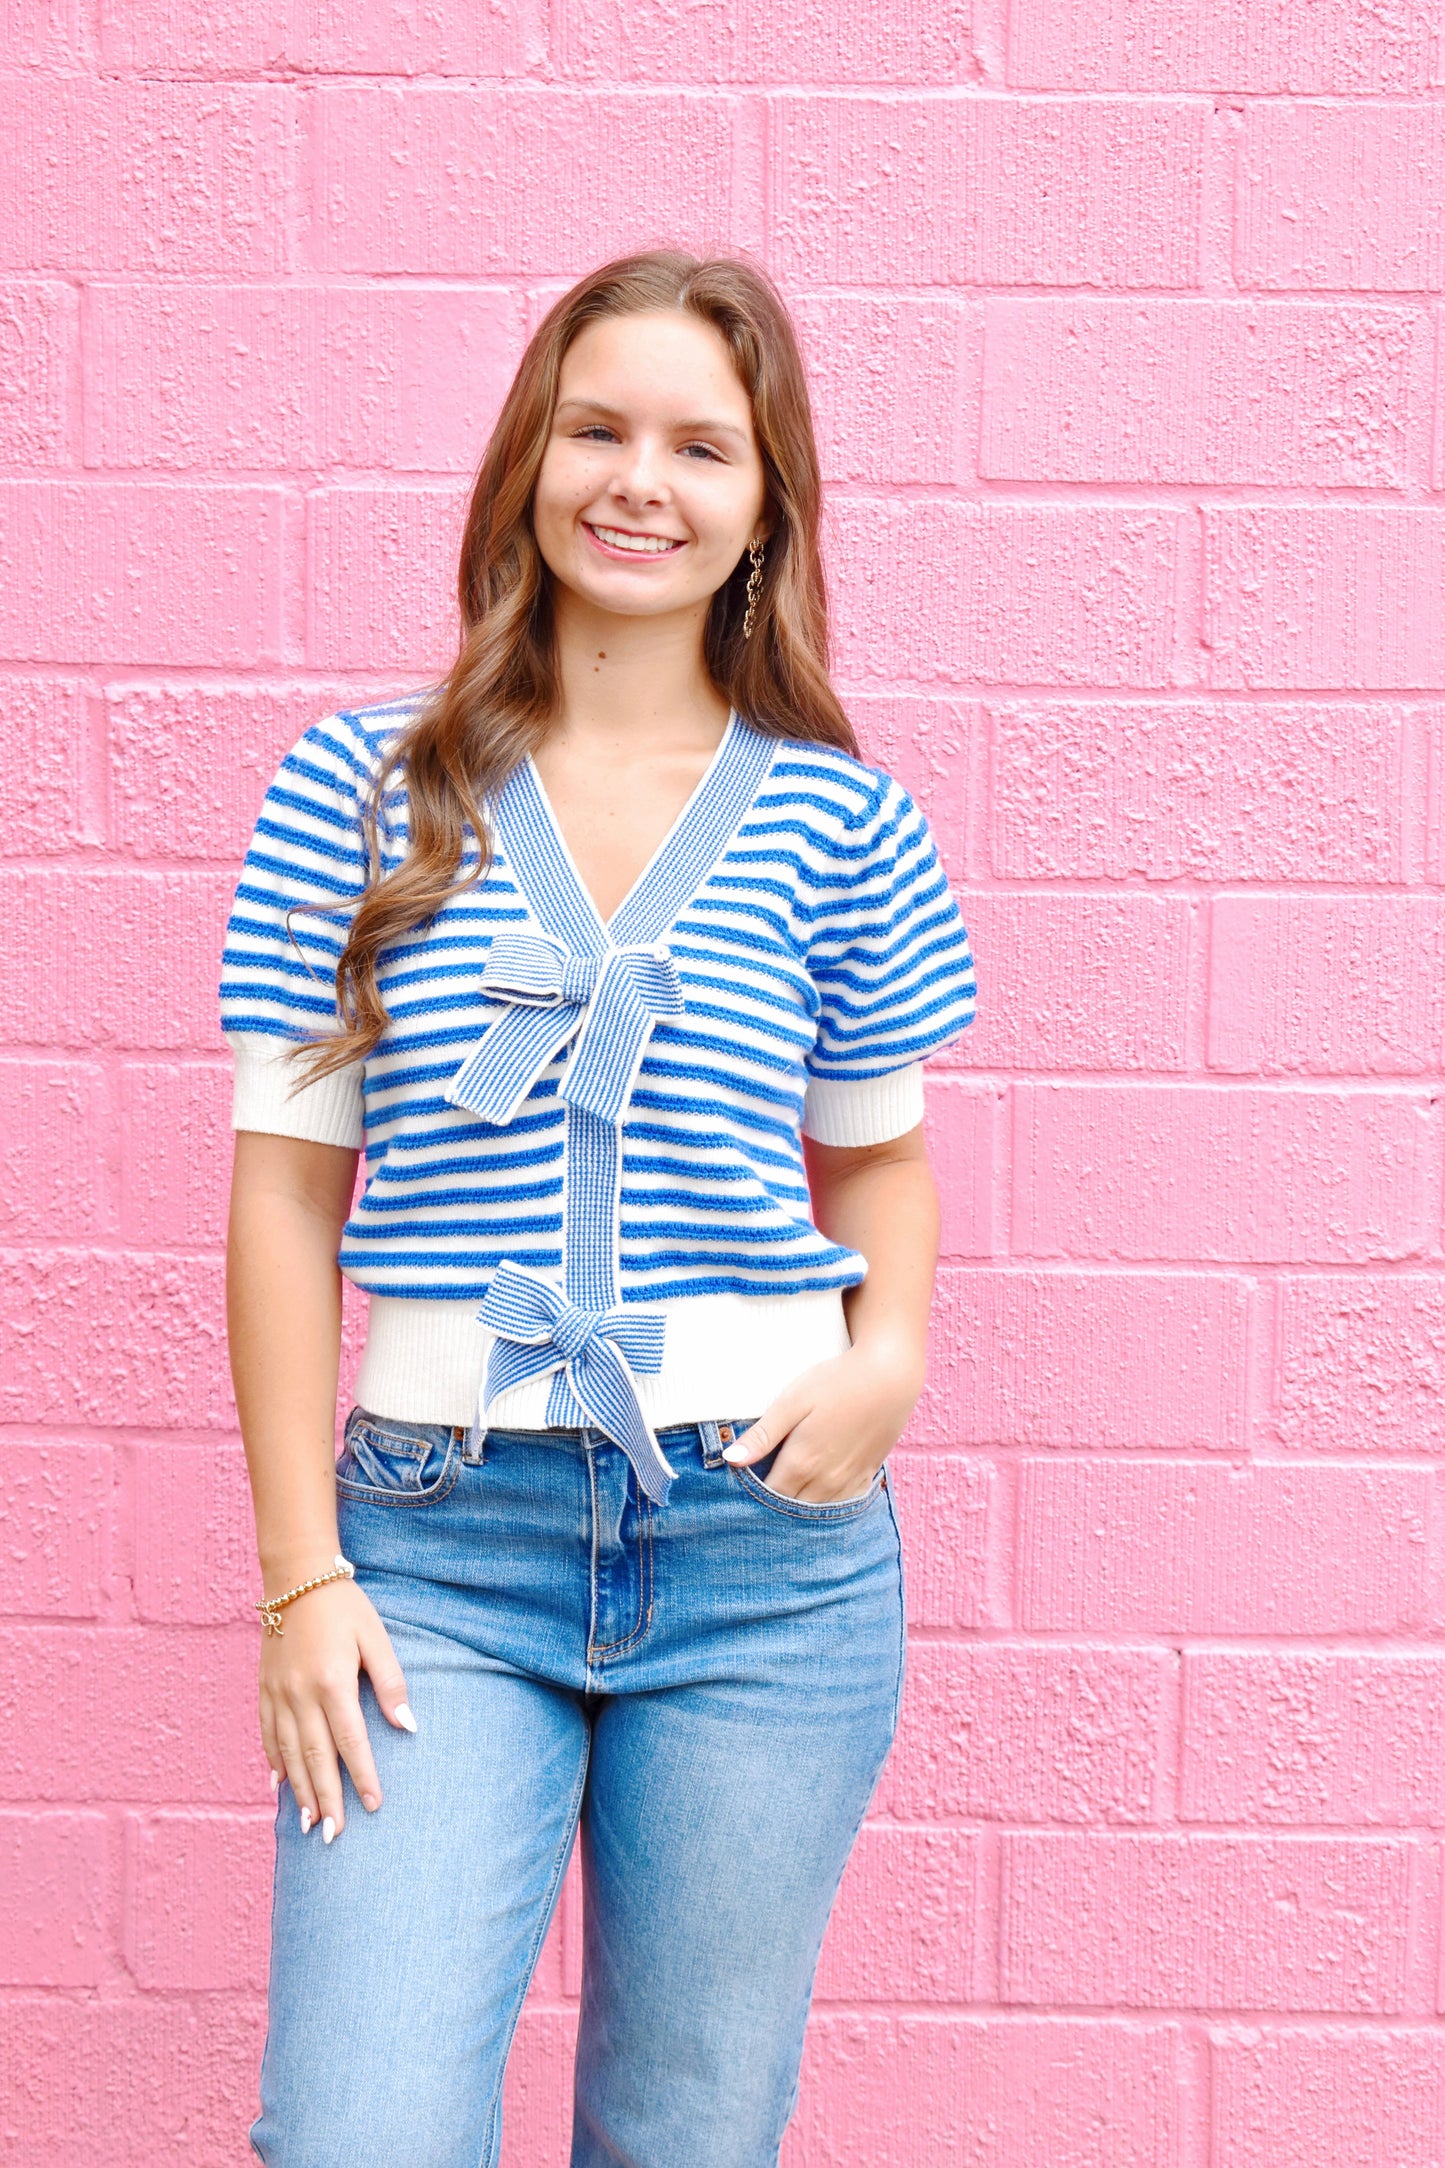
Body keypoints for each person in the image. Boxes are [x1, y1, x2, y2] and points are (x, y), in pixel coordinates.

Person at [220, 247, 977, 2168]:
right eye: (595, 430)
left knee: (685, 2132)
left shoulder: (837, 814)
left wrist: (887, 1356)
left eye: (698, 446)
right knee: (354, 2130)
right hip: (431, 1545)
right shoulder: (363, 788)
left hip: (767, 1554)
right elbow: (286, 1194)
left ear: (760, 510)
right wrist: (304, 1570)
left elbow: (874, 1154)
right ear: (528, 466)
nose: (638, 480)